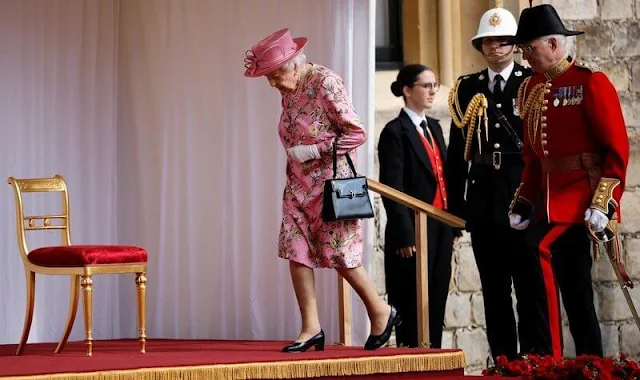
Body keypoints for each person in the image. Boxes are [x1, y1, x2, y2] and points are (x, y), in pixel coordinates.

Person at [243, 28, 400, 352]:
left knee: (341, 255)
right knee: (294, 249)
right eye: (268, 78)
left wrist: (314, 150)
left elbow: (356, 133)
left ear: (293, 65)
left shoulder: (325, 82)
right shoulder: (289, 88)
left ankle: (381, 311)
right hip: (298, 185)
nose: (272, 83)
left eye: (274, 76)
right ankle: (311, 327)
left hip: (333, 184)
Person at [507, 4, 629, 359]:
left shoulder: (591, 82)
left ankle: (553, 358)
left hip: (580, 203)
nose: (525, 56)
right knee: (577, 294)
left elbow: (615, 149)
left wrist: (604, 201)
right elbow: (534, 157)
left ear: (554, 45)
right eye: (523, 50)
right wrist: (525, 201)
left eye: (530, 49)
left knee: (539, 249)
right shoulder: (529, 88)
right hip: (549, 201)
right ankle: (588, 361)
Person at [446, 2, 552, 361]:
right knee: (493, 288)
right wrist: (456, 209)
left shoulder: (532, 82)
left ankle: (537, 358)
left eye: (504, 41)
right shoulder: (466, 88)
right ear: (480, 47)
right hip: (483, 199)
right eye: (488, 42)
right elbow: (456, 151)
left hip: (524, 194)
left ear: (515, 46)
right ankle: (504, 359)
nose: (495, 48)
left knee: (529, 284)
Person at [378, 64, 452, 349]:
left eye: (435, 85)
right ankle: (412, 359)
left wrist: (452, 224)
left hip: (439, 226)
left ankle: (434, 354)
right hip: (412, 229)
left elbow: (443, 174)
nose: (433, 91)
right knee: (411, 297)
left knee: (436, 295)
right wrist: (404, 234)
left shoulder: (434, 127)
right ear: (408, 91)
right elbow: (392, 187)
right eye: (426, 86)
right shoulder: (394, 132)